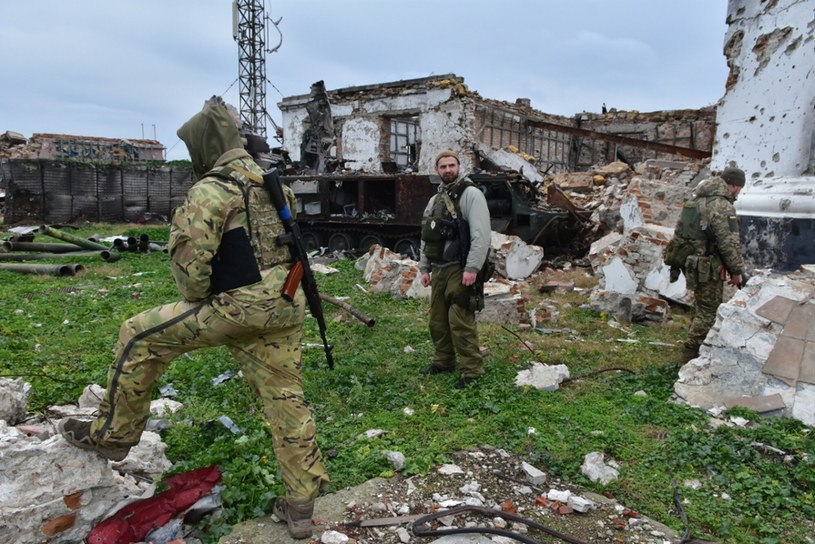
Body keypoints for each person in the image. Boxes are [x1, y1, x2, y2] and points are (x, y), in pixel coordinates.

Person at [58, 97, 328, 539]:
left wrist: (212, 293)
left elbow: (190, 278)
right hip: (285, 303)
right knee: (286, 401)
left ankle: (113, 435)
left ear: (204, 145)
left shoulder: (212, 190)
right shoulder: (272, 184)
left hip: (237, 307)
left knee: (137, 334)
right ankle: (300, 505)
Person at [418, 150, 491, 388]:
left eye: (451, 165)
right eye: (443, 166)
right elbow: (426, 236)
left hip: (460, 268)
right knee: (437, 321)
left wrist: (472, 268)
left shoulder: (471, 195)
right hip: (438, 269)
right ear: (437, 170)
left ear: (459, 166)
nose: (447, 170)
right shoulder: (435, 200)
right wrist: (424, 268)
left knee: (460, 319)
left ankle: (472, 370)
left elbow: (481, 235)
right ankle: (444, 361)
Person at [668, 166, 746, 360]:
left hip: (689, 261)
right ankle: (690, 354)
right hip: (707, 266)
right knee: (709, 311)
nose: (739, 193)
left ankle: (699, 343)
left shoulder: (696, 199)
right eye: (740, 189)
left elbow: (679, 232)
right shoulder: (722, 205)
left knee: (700, 305)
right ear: (734, 185)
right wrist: (737, 271)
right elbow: (728, 242)